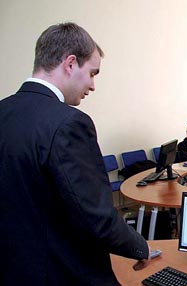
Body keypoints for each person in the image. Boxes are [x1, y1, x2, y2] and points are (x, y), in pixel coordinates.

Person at [0, 23, 149, 285]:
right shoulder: (69, 123)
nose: (92, 85)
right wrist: (140, 247)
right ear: (70, 64)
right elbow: (96, 217)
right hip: (61, 272)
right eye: (92, 73)